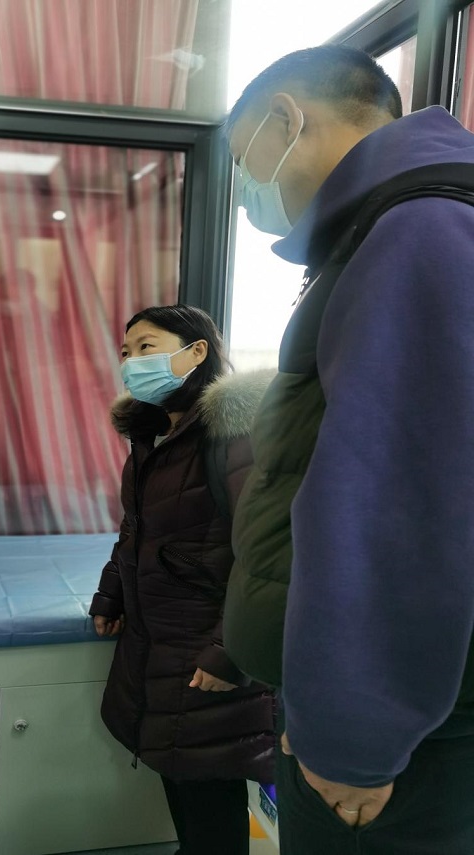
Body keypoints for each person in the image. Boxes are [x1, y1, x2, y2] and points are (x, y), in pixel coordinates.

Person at [223, 44, 474, 854]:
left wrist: (354, 737)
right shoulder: (391, 227)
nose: (244, 191)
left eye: (242, 161)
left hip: (398, 739)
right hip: (401, 713)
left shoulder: (421, 229)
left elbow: (397, 498)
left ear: (287, 119)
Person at [89, 304, 275, 855]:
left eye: (147, 347)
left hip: (207, 649)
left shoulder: (235, 436)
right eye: (126, 352)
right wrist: (112, 592)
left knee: (209, 789)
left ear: (197, 352)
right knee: (180, 771)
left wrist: (230, 650)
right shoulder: (154, 437)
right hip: (162, 640)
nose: (131, 362)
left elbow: (266, 554)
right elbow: (136, 531)